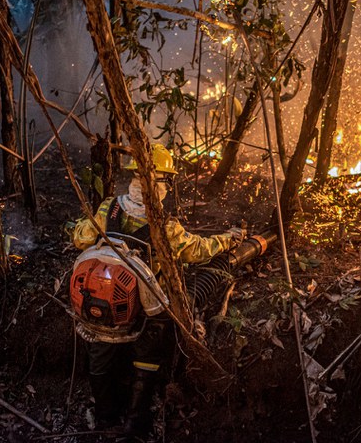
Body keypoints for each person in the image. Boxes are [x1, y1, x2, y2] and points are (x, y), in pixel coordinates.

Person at [71, 144, 245, 434]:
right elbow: (198, 251)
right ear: (161, 182)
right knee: (149, 352)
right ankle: (136, 420)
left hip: (103, 304)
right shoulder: (165, 226)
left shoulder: (108, 208)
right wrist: (228, 239)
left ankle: (104, 418)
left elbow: (80, 238)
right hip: (146, 311)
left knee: (100, 351)